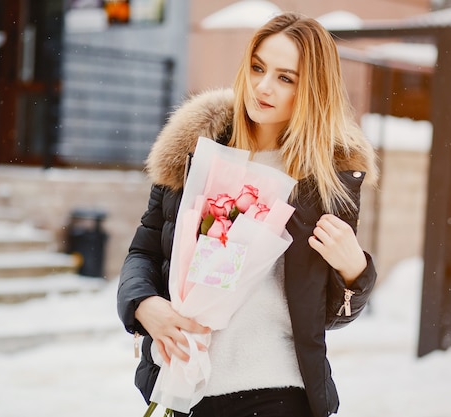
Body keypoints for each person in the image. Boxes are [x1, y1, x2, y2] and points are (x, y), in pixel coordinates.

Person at [117, 11, 378, 417]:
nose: (262, 86)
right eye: (257, 68)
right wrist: (142, 305)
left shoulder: (327, 177)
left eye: (285, 77)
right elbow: (144, 252)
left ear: (312, 89)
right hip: (186, 384)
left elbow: (327, 316)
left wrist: (354, 272)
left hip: (278, 387)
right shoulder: (194, 151)